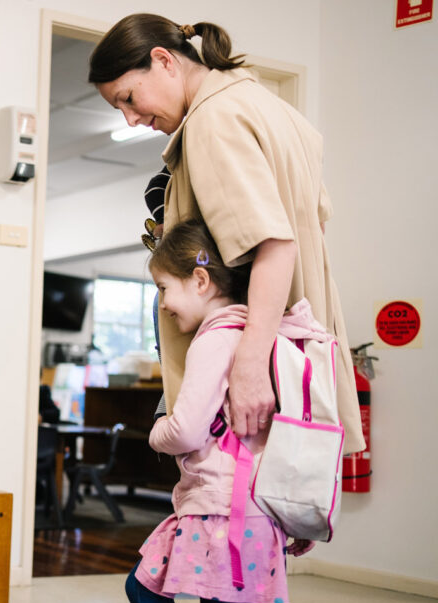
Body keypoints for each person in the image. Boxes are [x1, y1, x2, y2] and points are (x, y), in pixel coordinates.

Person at [88, 13, 364, 458]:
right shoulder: (273, 109)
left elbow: (274, 244)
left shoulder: (211, 121)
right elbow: (314, 224)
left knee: (229, 517)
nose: (132, 118)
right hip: (300, 355)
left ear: (164, 61)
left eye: (129, 97)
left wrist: (251, 365)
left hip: (258, 359)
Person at [127, 220, 318, 603]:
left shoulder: (215, 339)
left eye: (163, 287)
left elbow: (188, 431)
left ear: (199, 280)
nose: (164, 303)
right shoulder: (264, 337)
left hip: (221, 511)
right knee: (155, 591)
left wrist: (156, 431)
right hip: (253, 509)